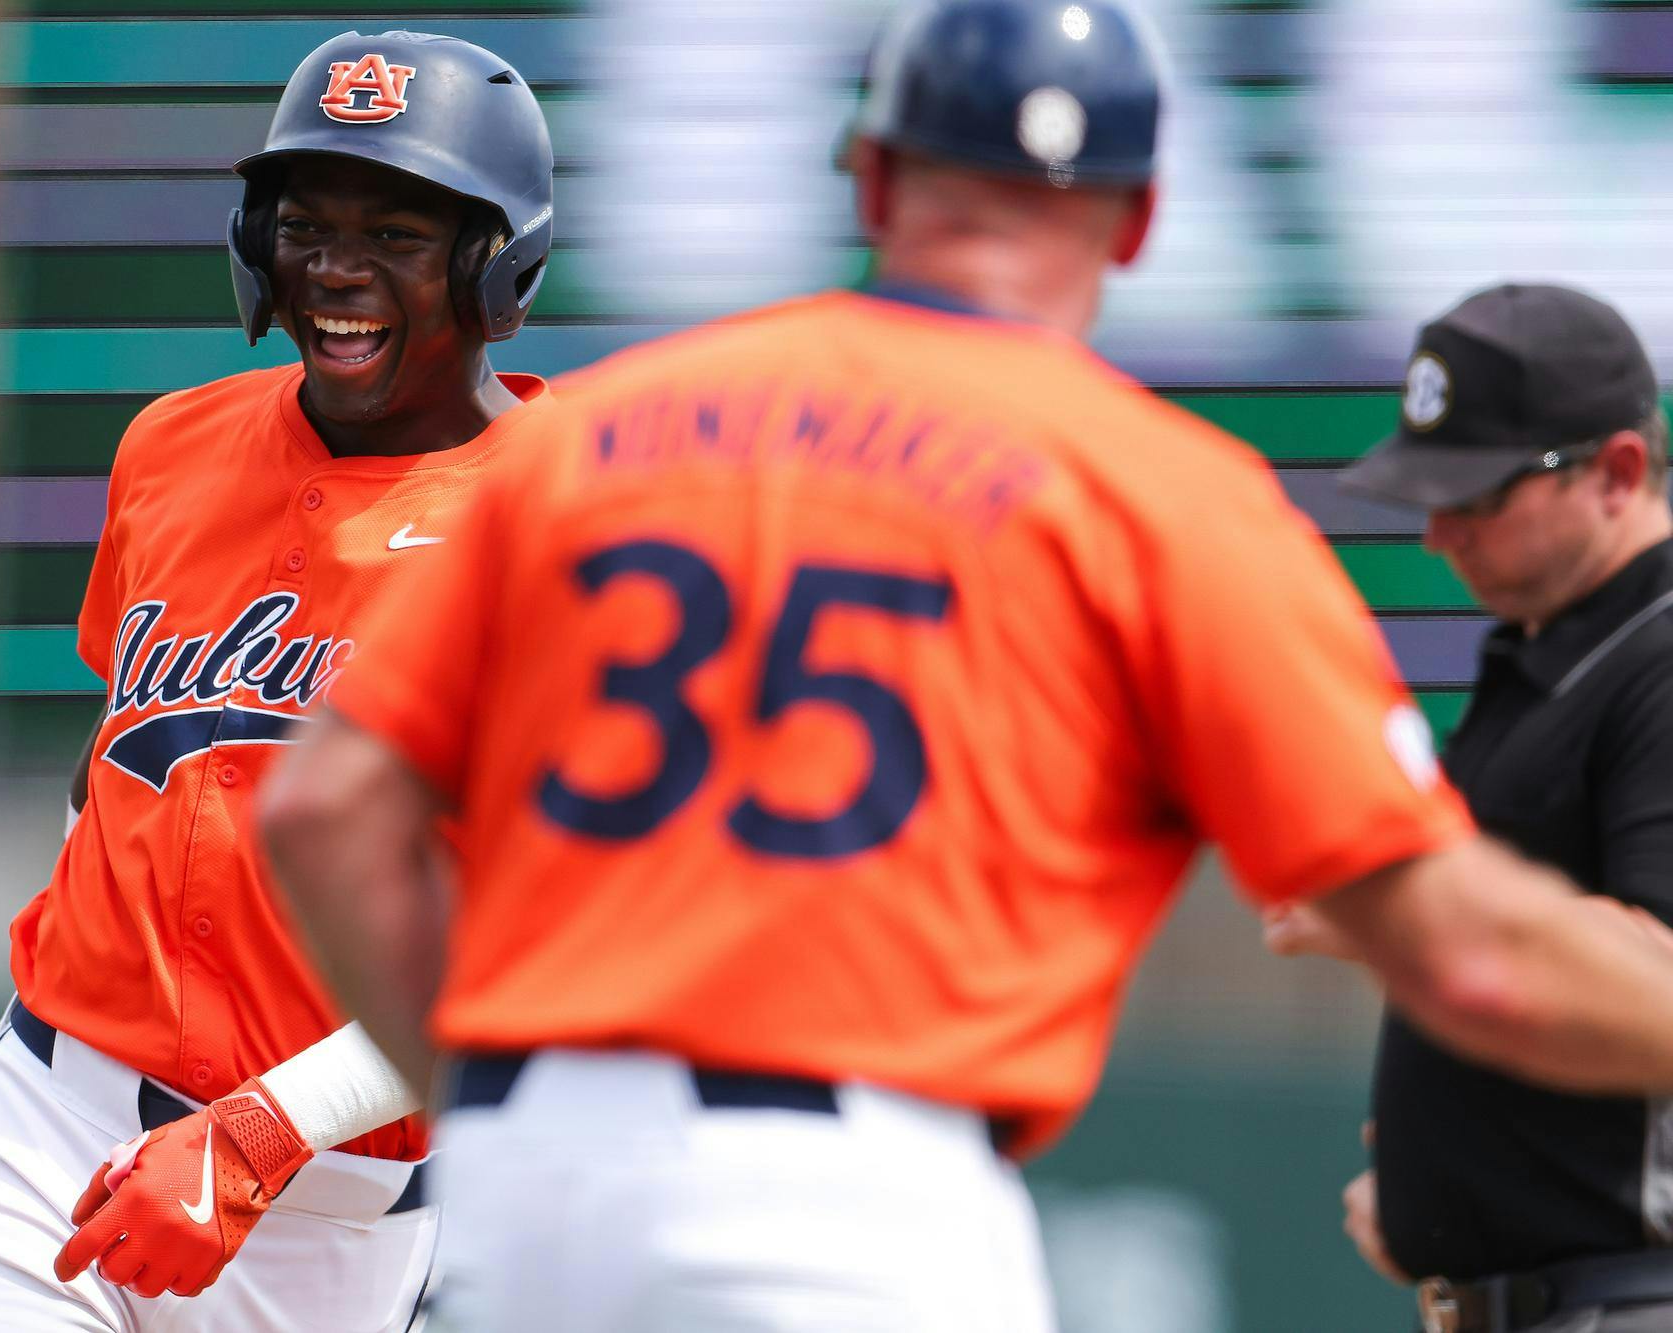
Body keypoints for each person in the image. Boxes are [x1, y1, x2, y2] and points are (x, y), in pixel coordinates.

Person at [263, 4, 1673, 1329]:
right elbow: (1474, 955)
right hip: (850, 1197)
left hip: (526, 1178)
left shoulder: (596, 427)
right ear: (1139, 222)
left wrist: (499, 1097)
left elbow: (324, 813)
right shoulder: (1154, 489)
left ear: (874, 181)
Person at [0, 30, 556, 1331]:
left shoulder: (567, 518)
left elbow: (525, 930)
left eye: (400, 234)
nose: (337, 272)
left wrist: (255, 1129)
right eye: (304, 224)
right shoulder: (172, 443)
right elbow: (122, 754)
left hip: (336, 1205)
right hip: (48, 1122)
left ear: (495, 262)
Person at [1327, 283, 1673, 1333]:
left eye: (1478, 495)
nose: (1437, 533)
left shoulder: (1657, 657)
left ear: (1616, 471)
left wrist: (1390, 892)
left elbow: (1656, 969)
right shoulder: (1544, 658)